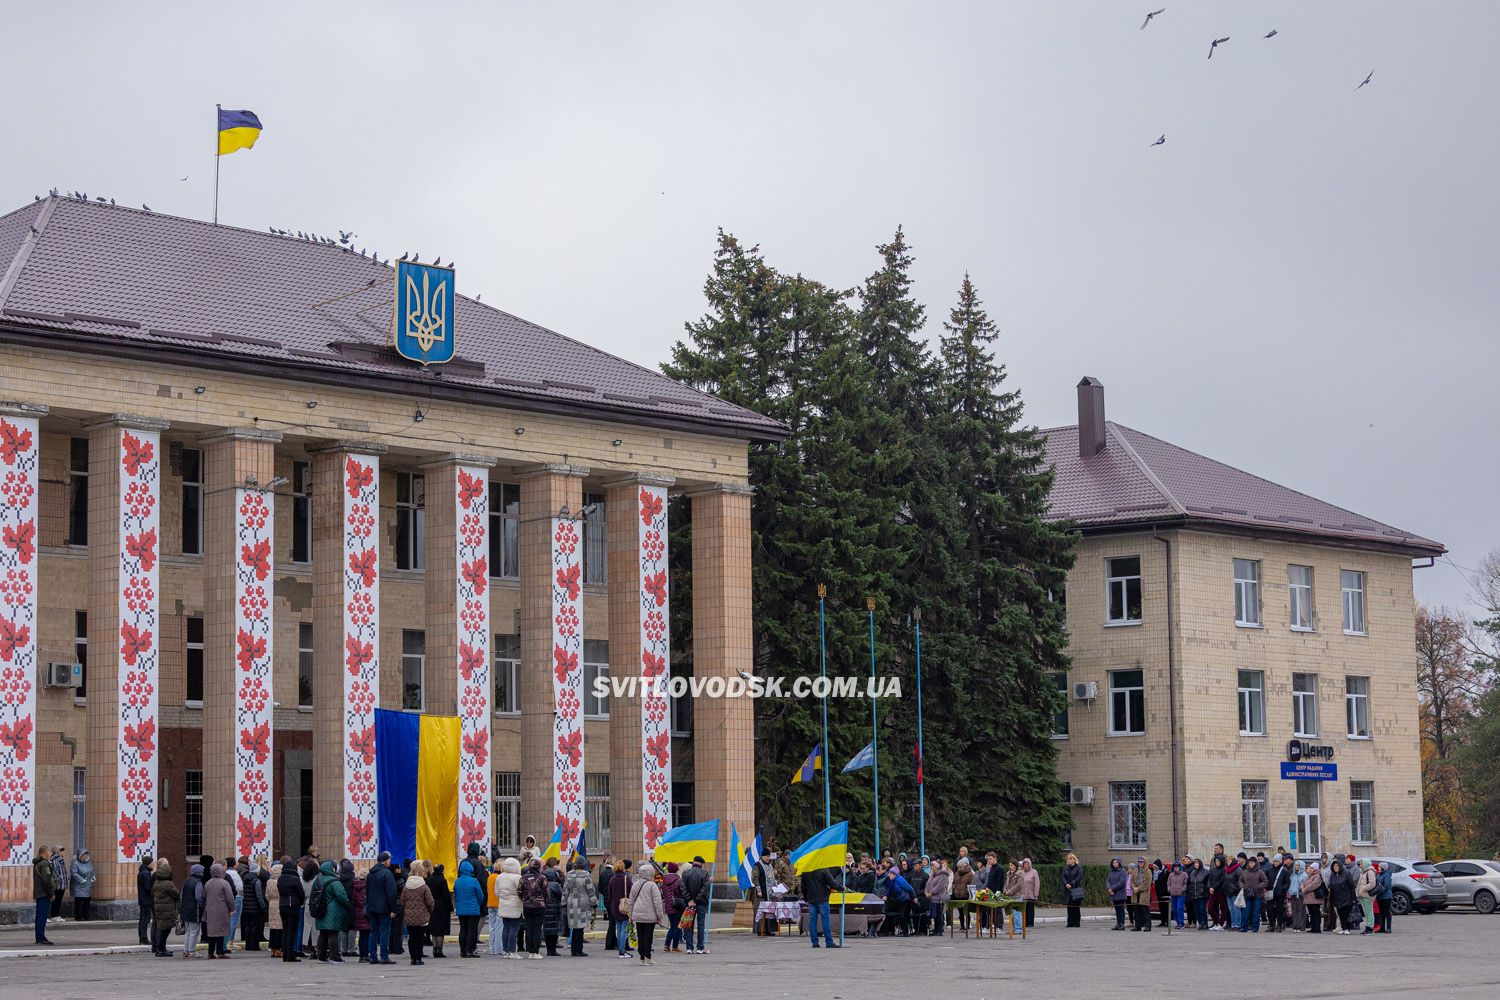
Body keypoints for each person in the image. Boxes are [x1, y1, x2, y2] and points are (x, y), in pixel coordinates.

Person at [313, 858, 352, 962]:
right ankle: (335, 957)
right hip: (333, 911)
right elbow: (342, 896)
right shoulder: (334, 881)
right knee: (333, 934)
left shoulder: (317, 880)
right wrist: (348, 905)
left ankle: (321, 957)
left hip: (320, 910)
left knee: (322, 934)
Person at [628, 861, 666, 965]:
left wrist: (630, 914)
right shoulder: (652, 885)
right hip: (650, 915)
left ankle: (641, 958)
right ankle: (647, 957)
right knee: (648, 937)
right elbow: (657, 902)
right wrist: (659, 916)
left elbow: (631, 900)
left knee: (640, 936)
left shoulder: (635, 884)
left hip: (638, 914)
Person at [364, 851, 397, 965]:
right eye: (389, 859)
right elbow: (391, 893)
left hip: (372, 907)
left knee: (373, 932)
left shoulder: (370, 874)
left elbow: (367, 891)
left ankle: (373, 956)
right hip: (384, 908)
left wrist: (368, 906)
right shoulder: (387, 873)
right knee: (384, 932)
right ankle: (384, 956)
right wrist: (393, 909)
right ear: (386, 861)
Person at [399, 859, 433, 965]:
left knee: (412, 936)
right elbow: (430, 901)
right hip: (422, 915)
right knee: (419, 937)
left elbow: (402, 901)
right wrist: (429, 911)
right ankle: (418, 958)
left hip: (409, 916)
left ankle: (413, 958)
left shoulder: (406, 886)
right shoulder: (423, 886)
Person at [802, 865, 844, 948]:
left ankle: (814, 942)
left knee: (812, 920)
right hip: (823, 898)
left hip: (811, 898)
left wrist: (806, 898)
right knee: (825, 920)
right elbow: (832, 883)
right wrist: (842, 888)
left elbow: (803, 886)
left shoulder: (806, 871)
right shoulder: (824, 870)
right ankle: (829, 942)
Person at [202, 864, 235, 960]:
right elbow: (230, 898)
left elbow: (204, 896)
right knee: (221, 931)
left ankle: (210, 952)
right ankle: (220, 952)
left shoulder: (208, 883)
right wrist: (232, 909)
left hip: (210, 909)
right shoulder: (224, 883)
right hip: (222, 909)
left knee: (212, 932)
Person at [453, 859, 485, 957]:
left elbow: (455, 895)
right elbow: (480, 896)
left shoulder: (457, 881)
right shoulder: (474, 881)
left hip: (461, 909)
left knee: (463, 929)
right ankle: (469, 950)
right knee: (471, 930)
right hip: (473, 909)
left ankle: (462, 951)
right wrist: (478, 904)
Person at [565, 858, 596, 956]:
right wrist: (594, 902)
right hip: (583, 902)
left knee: (574, 927)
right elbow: (591, 891)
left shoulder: (568, 875)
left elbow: (565, 890)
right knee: (580, 927)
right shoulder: (586, 876)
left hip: (571, 902)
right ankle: (578, 950)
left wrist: (563, 902)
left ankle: (573, 950)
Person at [679, 856, 711, 954]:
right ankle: (700, 948)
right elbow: (704, 889)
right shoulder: (705, 874)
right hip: (701, 903)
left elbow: (682, 887)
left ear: (693, 862)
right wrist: (696, 900)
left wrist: (689, 899)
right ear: (701, 864)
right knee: (701, 925)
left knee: (689, 924)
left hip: (689, 903)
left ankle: (689, 948)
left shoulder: (685, 873)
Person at [276, 857, 305, 961]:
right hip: (293, 905)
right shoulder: (295, 879)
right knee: (292, 931)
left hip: (282, 904)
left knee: (285, 930)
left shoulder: (280, 879)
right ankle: (290, 955)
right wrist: (300, 902)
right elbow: (301, 893)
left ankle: (285, 954)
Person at [150, 858, 179, 957]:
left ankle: (159, 948)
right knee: (165, 929)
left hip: (158, 907)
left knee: (160, 928)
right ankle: (161, 949)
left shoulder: (157, 882)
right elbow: (176, 894)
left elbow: (152, 892)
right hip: (167, 909)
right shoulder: (168, 884)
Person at [496, 856, 524, 958]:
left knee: (506, 928)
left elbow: (497, 892)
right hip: (515, 906)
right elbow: (521, 892)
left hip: (503, 905)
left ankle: (506, 951)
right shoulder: (517, 878)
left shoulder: (499, 877)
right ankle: (512, 951)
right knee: (514, 929)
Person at [520, 859, 548, 958]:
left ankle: (530, 951)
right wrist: (545, 901)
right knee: (537, 928)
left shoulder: (523, 878)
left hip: (527, 906)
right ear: (539, 867)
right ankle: (536, 951)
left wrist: (525, 899)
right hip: (539, 906)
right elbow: (546, 892)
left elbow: (519, 891)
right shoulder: (542, 877)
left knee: (529, 928)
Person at [238, 856, 266, 950]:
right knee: (255, 926)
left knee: (248, 926)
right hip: (255, 907)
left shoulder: (245, 879)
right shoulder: (257, 881)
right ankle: (254, 945)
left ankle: (248, 945)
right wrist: (263, 906)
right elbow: (259, 895)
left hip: (246, 906)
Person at [607, 860, 633, 957]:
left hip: (615, 906)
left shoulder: (612, 879)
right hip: (624, 906)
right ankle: (622, 950)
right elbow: (631, 893)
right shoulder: (627, 878)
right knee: (624, 929)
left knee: (618, 928)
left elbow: (610, 894)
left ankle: (620, 949)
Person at [180, 862, 205, 958]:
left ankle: (186, 950)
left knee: (188, 931)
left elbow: (182, 894)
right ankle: (192, 951)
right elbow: (198, 897)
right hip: (195, 910)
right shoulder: (198, 882)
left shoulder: (186, 880)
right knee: (194, 931)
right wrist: (203, 905)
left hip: (185, 908)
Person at [427, 862, 452, 958]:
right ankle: (439, 950)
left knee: (434, 929)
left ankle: (434, 949)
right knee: (441, 929)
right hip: (442, 907)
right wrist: (450, 907)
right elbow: (446, 895)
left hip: (432, 905)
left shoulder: (429, 879)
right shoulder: (442, 880)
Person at [660, 861, 685, 952]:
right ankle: (675, 946)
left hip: (668, 905)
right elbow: (681, 892)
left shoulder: (664, 880)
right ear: (676, 870)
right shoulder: (678, 879)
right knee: (677, 926)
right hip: (677, 905)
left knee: (672, 926)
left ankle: (667, 945)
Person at [542, 860, 566, 956]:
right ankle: (553, 950)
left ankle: (549, 950)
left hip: (545, 909)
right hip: (555, 909)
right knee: (554, 930)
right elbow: (561, 896)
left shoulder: (543, 884)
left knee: (547, 929)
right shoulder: (556, 885)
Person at [1328, 859, 1357, 934]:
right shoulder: (1333, 875)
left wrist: (1353, 897)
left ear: (1340, 866)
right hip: (1337, 898)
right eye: (1334, 866)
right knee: (1340, 914)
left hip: (1346, 897)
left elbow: (1352, 886)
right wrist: (1331, 898)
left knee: (1346, 914)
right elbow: (1331, 886)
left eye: (1337, 866)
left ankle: (1347, 929)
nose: (1335, 867)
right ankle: (1343, 928)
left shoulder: (1346, 873)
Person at [334, 858, 357, 956]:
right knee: (352, 927)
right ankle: (351, 949)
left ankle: (343, 949)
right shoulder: (353, 879)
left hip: (341, 905)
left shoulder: (339, 879)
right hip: (352, 905)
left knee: (343, 927)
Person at [1239, 857, 1267, 932]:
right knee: (1245, 911)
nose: (1251, 864)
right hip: (1247, 894)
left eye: (1252, 863)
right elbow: (1240, 881)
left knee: (1256, 912)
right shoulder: (1245, 872)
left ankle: (1255, 927)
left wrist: (1258, 887)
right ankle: (1244, 927)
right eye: (1250, 863)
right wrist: (1243, 886)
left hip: (1257, 895)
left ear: (1255, 863)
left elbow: (1265, 881)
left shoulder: (1260, 872)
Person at [927, 857, 952, 935]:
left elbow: (940, 886)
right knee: (935, 914)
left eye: (933, 866)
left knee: (939, 914)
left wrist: (932, 892)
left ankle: (940, 930)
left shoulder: (943, 874)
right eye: (931, 866)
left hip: (940, 897)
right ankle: (936, 929)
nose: (932, 867)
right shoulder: (933, 874)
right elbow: (929, 883)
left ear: (937, 867)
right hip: (934, 897)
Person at [1058, 853, 1083, 929]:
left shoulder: (1078, 868)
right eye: (1068, 859)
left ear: (1074, 860)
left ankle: (1076, 922)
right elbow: (1063, 877)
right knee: (1069, 907)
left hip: (1075, 889)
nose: (1069, 860)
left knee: (1076, 907)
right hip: (1067, 889)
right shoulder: (1065, 868)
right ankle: (1070, 922)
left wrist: (1071, 884)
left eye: (1071, 859)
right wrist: (1066, 884)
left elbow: (1079, 877)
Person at [1266, 855, 1291, 933]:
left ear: (1280, 862)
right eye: (1274, 861)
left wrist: (1283, 889)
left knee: (1279, 910)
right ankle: (1271, 925)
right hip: (1270, 893)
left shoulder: (1284, 871)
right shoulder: (1269, 870)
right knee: (1270, 910)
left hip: (1280, 894)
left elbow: (1287, 882)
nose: (1275, 863)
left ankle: (1280, 924)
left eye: (1277, 861)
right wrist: (1266, 888)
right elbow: (1266, 880)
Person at [351, 866, 371, 959]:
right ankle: (365, 954)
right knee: (366, 935)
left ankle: (362, 955)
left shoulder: (355, 886)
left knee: (362, 935)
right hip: (366, 913)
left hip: (358, 913)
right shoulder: (367, 887)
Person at [136, 853, 156, 944]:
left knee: (142, 919)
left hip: (142, 899)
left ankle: (142, 937)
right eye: (152, 863)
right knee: (145, 919)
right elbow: (148, 887)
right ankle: (143, 938)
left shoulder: (141, 872)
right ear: (148, 863)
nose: (153, 864)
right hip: (146, 900)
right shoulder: (146, 873)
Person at [953, 857, 975, 933]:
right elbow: (954, 882)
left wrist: (967, 892)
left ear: (965, 866)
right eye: (958, 867)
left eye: (961, 867)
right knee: (960, 912)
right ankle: (962, 926)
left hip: (965, 896)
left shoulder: (970, 874)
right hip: (957, 895)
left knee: (966, 911)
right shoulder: (957, 873)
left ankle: (968, 927)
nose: (959, 869)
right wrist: (954, 889)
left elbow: (971, 885)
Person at [1002, 862, 1025, 936]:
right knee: (1011, 913)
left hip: (1017, 895)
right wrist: (1005, 890)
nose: (1010, 866)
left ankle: (1019, 929)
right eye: (1009, 865)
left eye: (1012, 865)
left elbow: (1019, 885)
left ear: (1016, 865)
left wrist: (1010, 891)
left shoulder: (1020, 873)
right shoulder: (1008, 873)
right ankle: (1013, 929)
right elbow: (1006, 884)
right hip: (1010, 896)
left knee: (1017, 913)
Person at [1301, 861, 1324, 934]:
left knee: (1316, 913)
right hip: (1308, 898)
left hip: (1315, 898)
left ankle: (1317, 928)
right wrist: (1302, 887)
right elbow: (1303, 883)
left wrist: (1305, 889)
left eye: (1312, 868)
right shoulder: (1309, 876)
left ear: (1315, 869)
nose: (1310, 869)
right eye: (1310, 868)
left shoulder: (1317, 876)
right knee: (1311, 913)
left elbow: (1313, 885)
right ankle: (1313, 927)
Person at [267, 860, 284, 957]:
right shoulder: (281, 881)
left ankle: (272, 949)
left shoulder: (269, 881)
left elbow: (266, 895)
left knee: (272, 927)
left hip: (271, 904)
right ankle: (278, 949)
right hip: (279, 903)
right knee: (279, 927)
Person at [1106, 857, 1129, 930]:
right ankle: (1118, 923)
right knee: (1117, 910)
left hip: (1120, 893)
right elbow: (1108, 881)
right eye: (1113, 862)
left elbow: (1121, 882)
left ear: (1119, 863)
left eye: (1116, 862)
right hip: (1113, 893)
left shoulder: (1123, 871)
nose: (1114, 864)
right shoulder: (1111, 871)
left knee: (1121, 910)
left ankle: (1121, 924)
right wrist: (1109, 888)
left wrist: (1112, 888)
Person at [1128, 860, 1151, 932]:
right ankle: (1137, 926)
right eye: (1139, 862)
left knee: (1145, 911)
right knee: (1136, 911)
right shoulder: (1135, 871)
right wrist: (1133, 888)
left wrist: (1138, 888)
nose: (1140, 863)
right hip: (1135, 894)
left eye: (1142, 862)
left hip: (1143, 894)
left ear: (1145, 863)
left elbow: (1147, 883)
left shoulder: (1148, 871)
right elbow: (1131, 881)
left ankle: (1147, 926)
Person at [1224, 853, 1245, 930]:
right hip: (1228, 892)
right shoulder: (1227, 870)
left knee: (1236, 909)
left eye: (1229, 861)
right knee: (1231, 909)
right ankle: (1233, 924)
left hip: (1235, 892)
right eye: (1227, 861)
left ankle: (1237, 925)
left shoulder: (1238, 869)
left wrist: (1236, 888)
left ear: (1233, 861)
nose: (1228, 862)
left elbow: (1241, 880)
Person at [1206, 855, 1227, 930]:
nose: (1217, 862)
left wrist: (1214, 887)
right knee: (1210, 908)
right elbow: (1209, 879)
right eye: (1216, 861)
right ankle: (1216, 922)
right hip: (1213, 892)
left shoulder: (1224, 870)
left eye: (1218, 861)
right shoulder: (1213, 869)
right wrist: (1209, 887)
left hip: (1220, 891)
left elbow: (1221, 880)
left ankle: (1221, 924)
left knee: (1223, 908)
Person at [1356, 859, 1377, 934]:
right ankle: (1367, 927)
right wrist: (1357, 892)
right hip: (1362, 895)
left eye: (1361, 863)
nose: (1360, 865)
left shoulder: (1370, 872)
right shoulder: (1363, 872)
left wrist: (1364, 889)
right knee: (1366, 912)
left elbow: (1372, 883)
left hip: (1367, 895)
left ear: (1366, 864)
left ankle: (1370, 928)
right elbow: (1359, 884)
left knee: (1369, 912)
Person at [1019, 858, 1040, 929]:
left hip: (1031, 894)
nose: (1025, 865)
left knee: (1030, 910)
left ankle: (1030, 923)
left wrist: (1036, 894)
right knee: (1023, 910)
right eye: (1024, 864)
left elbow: (1037, 884)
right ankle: (1024, 922)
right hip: (1022, 895)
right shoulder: (1021, 872)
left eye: (1026, 864)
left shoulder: (1034, 872)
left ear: (1029, 864)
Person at [1373, 862, 1394, 934]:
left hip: (1386, 897)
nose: (1378, 868)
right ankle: (1382, 928)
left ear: (1383, 868)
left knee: (1387, 912)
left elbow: (1386, 886)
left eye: (1379, 867)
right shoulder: (1378, 875)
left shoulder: (1386, 875)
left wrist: (1378, 890)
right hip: (1379, 897)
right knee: (1381, 913)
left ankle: (1388, 928)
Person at [1167, 860, 1188, 928]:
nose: (1176, 868)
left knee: (1179, 908)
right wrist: (1169, 889)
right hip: (1173, 894)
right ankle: (1178, 922)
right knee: (1174, 909)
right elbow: (1168, 883)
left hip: (1181, 894)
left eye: (1178, 866)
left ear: (1180, 867)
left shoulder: (1184, 874)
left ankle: (1181, 923)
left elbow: (1186, 884)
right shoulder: (1171, 875)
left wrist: (1182, 890)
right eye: (1175, 867)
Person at [49, 847, 67, 923]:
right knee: (55, 901)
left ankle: (57, 915)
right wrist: (61, 879)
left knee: (59, 901)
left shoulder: (61, 860)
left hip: (62, 884)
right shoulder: (54, 860)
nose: (62, 852)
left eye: (63, 851)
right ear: (57, 852)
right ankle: (54, 915)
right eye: (61, 851)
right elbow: (55, 872)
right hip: (58, 884)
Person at [1288, 860, 1306, 933]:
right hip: (1293, 894)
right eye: (1295, 865)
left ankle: (1301, 927)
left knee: (1301, 910)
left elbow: (1304, 884)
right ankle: (1295, 926)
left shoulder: (1304, 875)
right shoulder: (1293, 874)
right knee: (1294, 910)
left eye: (1298, 865)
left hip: (1300, 895)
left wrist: (1301, 890)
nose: (1296, 867)